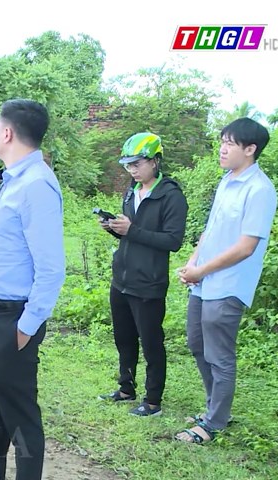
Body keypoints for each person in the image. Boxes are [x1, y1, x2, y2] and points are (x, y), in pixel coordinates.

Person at [0, 99, 65, 480]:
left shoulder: (37, 185)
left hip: (12, 320)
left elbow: (51, 268)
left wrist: (27, 325)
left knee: (21, 416)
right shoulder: (12, 182)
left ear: (7, 133)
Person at [175, 118, 277, 444]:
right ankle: (213, 408)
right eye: (222, 140)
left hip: (229, 284)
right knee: (196, 343)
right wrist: (193, 262)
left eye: (230, 143)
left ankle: (215, 422)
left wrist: (202, 271)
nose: (222, 148)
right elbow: (211, 229)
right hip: (203, 280)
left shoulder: (259, 190)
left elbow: (246, 246)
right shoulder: (226, 181)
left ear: (250, 149)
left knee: (219, 355)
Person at [97, 133, 188, 417]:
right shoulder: (131, 191)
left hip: (148, 282)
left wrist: (131, 231)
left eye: (138, 163)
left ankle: (152, 400)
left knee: (150, 342)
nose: (133, 170)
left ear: (155, 161)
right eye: (128, 165)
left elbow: (173, 241)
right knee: (123, 338)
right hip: (122, 278)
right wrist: (115, 229)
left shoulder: (170, 195)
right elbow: (132, 237)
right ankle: (126, 388)